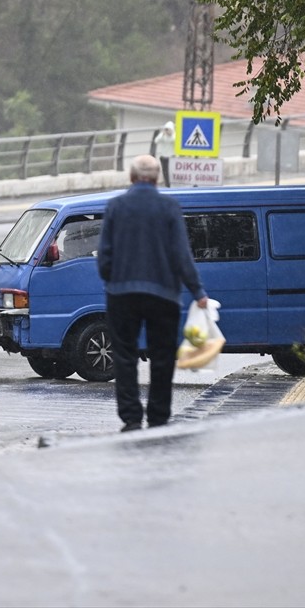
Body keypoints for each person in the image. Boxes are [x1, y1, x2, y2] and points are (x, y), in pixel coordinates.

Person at [97, 154, 207, 431]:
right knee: (162, 356)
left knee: (124, 356)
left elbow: (105, 256)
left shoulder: (115, 207)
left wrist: (113, 280)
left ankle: (132, 418)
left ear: (132, 178)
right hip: (163, 295)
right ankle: (158, 417)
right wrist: (197, 291)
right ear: (157, 178)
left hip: (122, 294)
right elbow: (182, 254)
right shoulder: (169, 207)